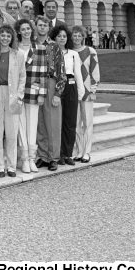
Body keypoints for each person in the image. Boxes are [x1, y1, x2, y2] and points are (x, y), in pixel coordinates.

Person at [15, 16, 46, 174]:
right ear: (19, 32)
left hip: (33, 90)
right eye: (23, 29)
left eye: (28, 29)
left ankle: (32, 158)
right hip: (19, 91)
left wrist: (42, 93)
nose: (26, 31)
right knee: (21, 125)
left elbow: (42, 72)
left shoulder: (39, 47)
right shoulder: (15, 48)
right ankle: (24, 159)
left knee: (32, 125)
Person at [49, 24, 84, 166]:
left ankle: (68, 153)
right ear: (54, 38)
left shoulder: (73, 54)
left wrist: (80, 93)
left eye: (64, 36)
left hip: (70, 86)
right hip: (56, 86)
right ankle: (58, 154)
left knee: (69, 122)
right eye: (59, 36)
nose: (62, 38)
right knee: (57, 121)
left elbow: (78, 74)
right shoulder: (51, 53)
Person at [0, 24, 26, 178]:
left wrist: (19, 96)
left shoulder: (18, 54)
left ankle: (11, 166)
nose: (5, 38)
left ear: (12, 37)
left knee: (12, 132)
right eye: (2, 35)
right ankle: (0, 166)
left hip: (13, 94)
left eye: (8, 35)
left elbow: (22, 76)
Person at [35, 15, 66, 171]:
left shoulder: (54, 46)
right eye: (39, 25)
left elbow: (62, 70)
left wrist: (57, 93)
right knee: (39, 122)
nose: (42, 27)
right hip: (35, 83)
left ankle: (53, 157)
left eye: (45, 25)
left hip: (51, 82)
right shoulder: (32, 44)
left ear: (48, 28)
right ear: (36, 26)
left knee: (53, 121)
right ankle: (42, 155)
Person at [71, 25, 100, 163]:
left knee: (87, 122)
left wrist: (93, 90)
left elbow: (95, 73)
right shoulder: (69, 52)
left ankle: (87, 151)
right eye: (74, 35)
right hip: (73, 91)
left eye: (79, 35)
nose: (76, 38)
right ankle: (79, 150)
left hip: (87, 91)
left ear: (83, 37)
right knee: (76, 123)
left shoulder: (90, 51)